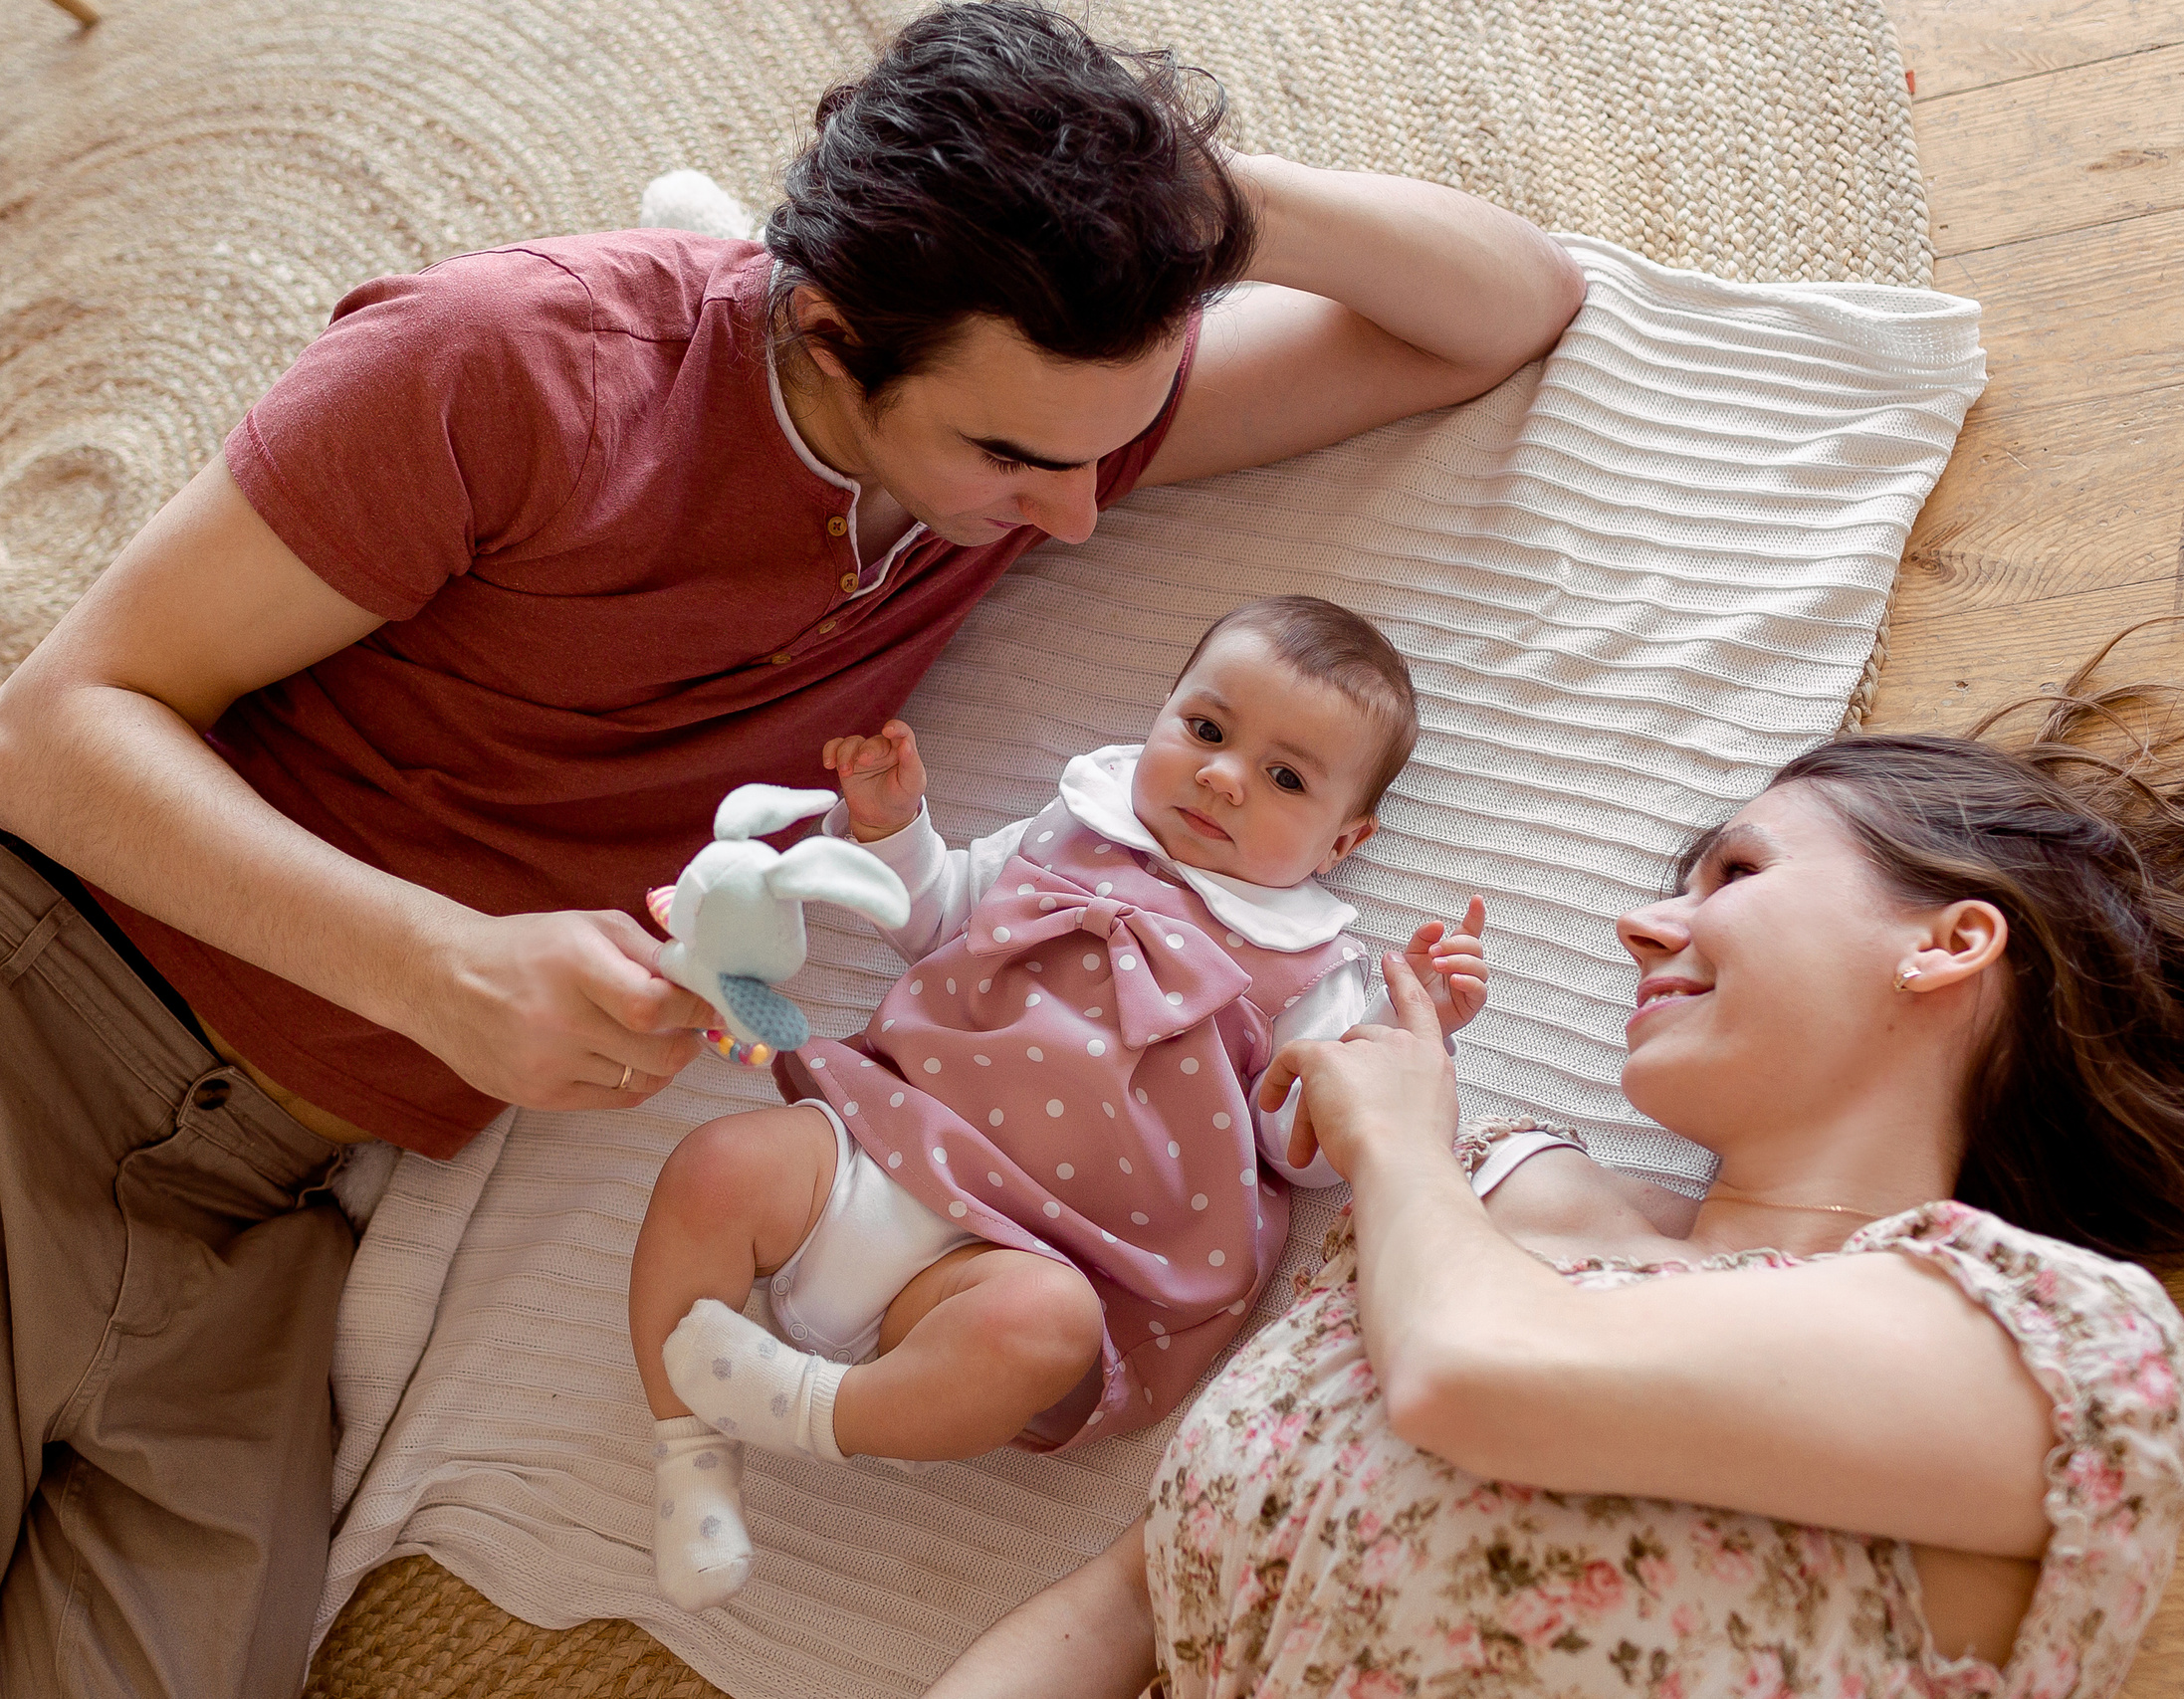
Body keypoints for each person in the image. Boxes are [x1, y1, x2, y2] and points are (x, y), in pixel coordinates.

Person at [0, 1, 1586, 1689]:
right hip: (58, 1026)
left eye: (1107, 449)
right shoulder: (506, 365)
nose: (1076, 511)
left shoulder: (1035, 423)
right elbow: (49, 730)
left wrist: (1173, 194)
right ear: (828, 335)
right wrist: (437, 963)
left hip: (277, 1206)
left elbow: (1506, 306)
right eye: (1017, 457)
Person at [921, 643, 2184, 1696]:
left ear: (1951, 939)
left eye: (1736, 872)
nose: (1643, 921)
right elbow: (1127, 1597)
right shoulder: (1493, 1195)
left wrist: (1400, 1141)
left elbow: (1477, 1376)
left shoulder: (2048, 1348)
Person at [630, 595, 1491, 1610]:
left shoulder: (1310, 968)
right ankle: (688, 1456)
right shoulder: (1072, 828)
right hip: (882, 1136)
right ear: (1162, 712)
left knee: (1039, 1331)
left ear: (1342, 842)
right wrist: (894, 831)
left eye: (1284, 777)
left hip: (1041, 1259)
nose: (1221, 776)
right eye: (1206, 731)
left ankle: (817, 1409)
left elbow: (1302, 1150)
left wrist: (1410, 1027)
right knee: (718, 1164)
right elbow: (942, 915)